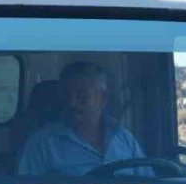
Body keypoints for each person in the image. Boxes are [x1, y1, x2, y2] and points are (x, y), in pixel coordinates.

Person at [17, 62, 146, 177]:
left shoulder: (124, 139)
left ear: (102, 98)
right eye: (67, 96)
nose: (72, 103)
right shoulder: (41, 143)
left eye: (82, 96)